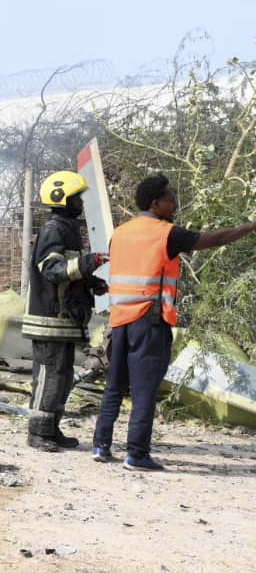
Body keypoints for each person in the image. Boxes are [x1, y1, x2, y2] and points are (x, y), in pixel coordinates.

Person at [92, 173, 256, 471]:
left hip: (118, 320)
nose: (174, 202)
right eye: (170, 198)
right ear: (155, 203)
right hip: (148, 322)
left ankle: (101, 445)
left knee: (114, 385)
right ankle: (137, 454)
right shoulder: (166, 233)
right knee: (144, 390)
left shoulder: (120, 233)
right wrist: (251, 225)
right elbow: (216, 239)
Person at [23, 171, 108, 452]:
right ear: (62, 200)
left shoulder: (67, 229)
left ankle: (52, 429)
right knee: (49, 375)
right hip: (49, 321)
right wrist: (88, 263)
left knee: (61, 376)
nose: (80, 204)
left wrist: (92, 282)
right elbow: (52, 270)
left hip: (63, 322)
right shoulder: (53, 230)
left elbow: (70, 272)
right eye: (76, 198)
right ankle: (38, 432)